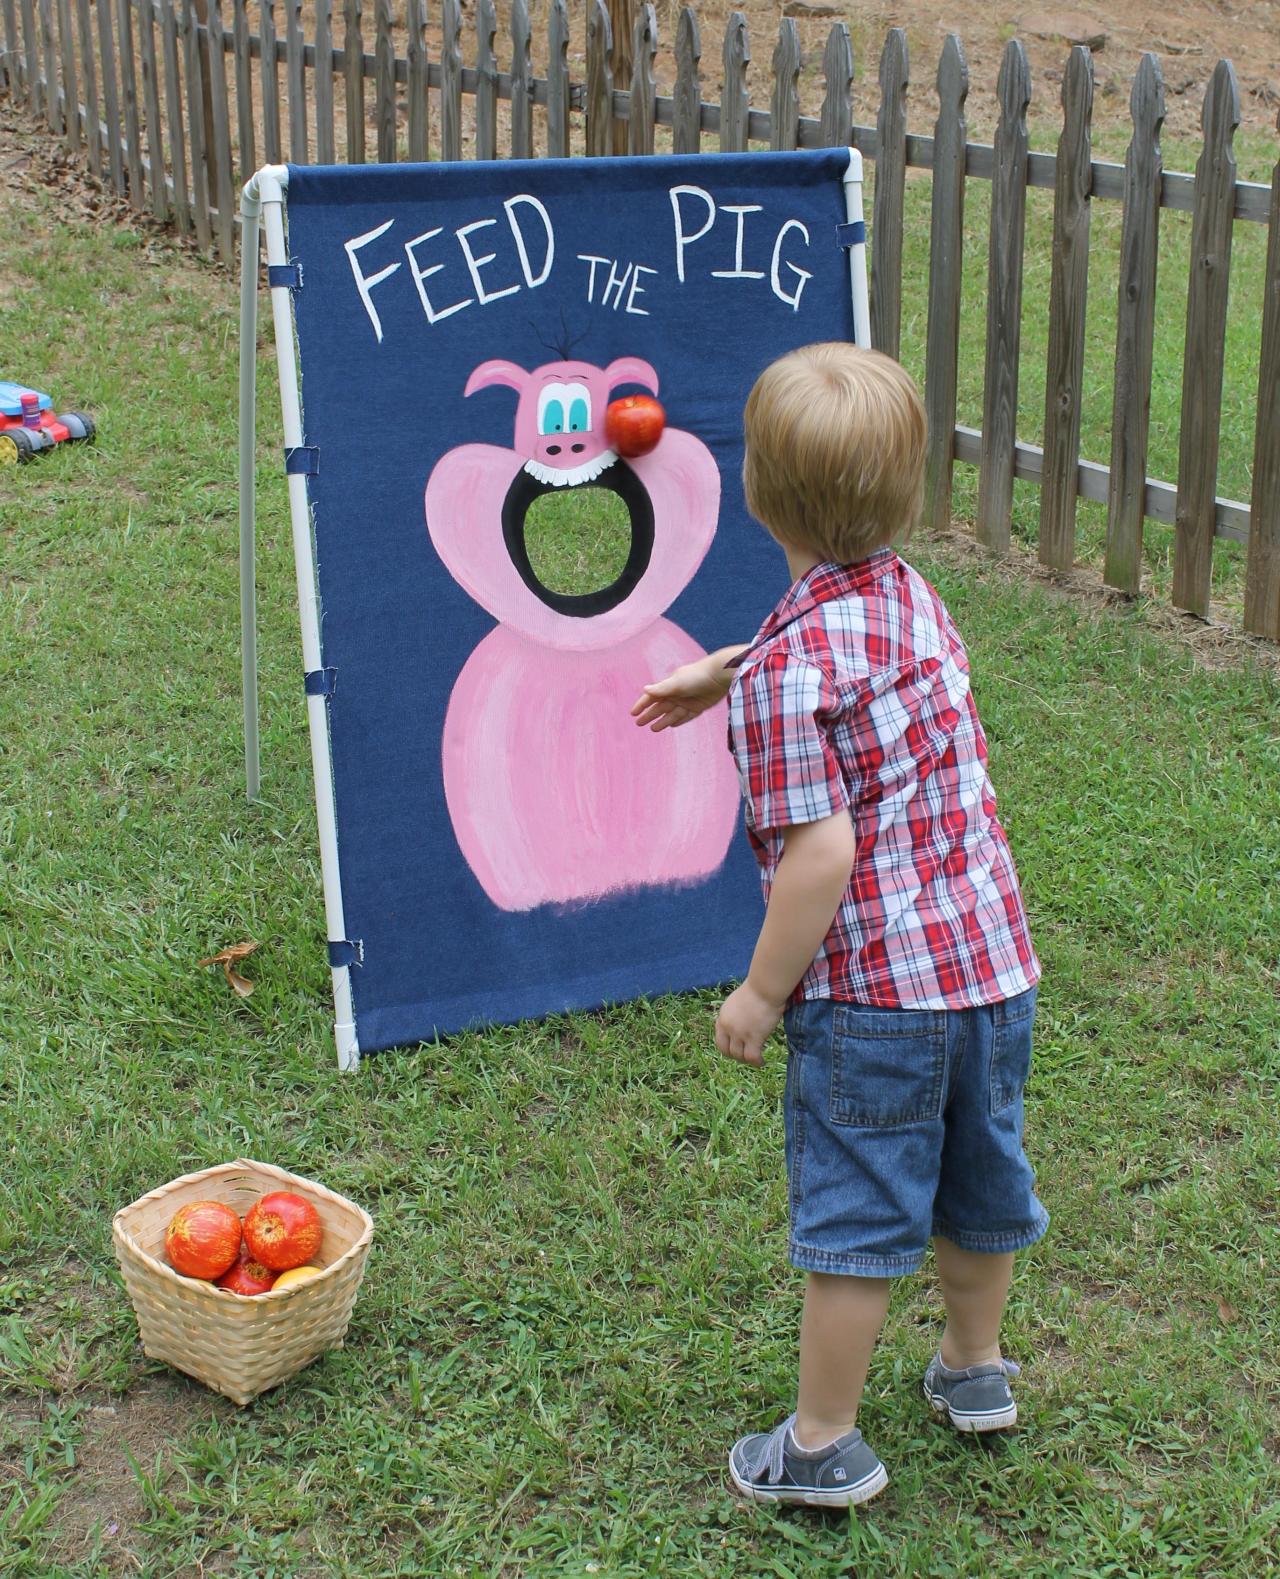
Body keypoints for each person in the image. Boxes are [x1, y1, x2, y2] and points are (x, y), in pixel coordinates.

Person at [630, 343, 1046, 1509]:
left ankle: (819, 1444)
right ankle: (972, 1368)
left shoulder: (788, 676)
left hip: (873, 1002)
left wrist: (762, 992)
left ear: (759, 492)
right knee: (978, 1178)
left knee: (857, 1218)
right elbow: (825, 660)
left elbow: (819, 852)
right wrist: (728, 669)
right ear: (902, 495)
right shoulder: (910, 596)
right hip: (986, 968)